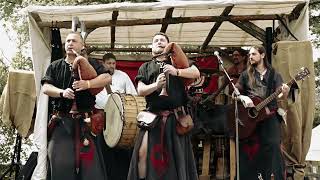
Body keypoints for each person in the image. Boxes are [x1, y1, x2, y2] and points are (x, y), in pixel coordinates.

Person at [127, 32, 200, 180]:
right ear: (151, 48)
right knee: (142, 154)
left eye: (162, 40)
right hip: (153, 119)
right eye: (155, 40)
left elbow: (196, 72)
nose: (159, 42)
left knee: (176, 159)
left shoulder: (177, 61)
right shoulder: (145, 67)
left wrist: (176, 71)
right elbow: (140, 90)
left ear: (168, 45)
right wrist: (156, 85)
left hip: (175, 118)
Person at [41, 32, 112, 180]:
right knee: (59, 165)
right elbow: (45, 88)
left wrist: (88, 84)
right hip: (62, 122)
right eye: (67, 41)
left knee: (91, 171)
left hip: (86, 123)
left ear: (82, 46)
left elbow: (107, 78)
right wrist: (61, 92)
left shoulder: (92, 63)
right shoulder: (55, 66)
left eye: (74, 41)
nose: (70, 43)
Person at [234, 45, 290, 180]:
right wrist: (243, 97)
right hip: (250, 119)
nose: (250, 57)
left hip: (270, 115)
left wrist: (285, 92)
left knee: (273, 145)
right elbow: (234, 93)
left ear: (263, 55)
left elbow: (280, 96)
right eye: (249, 55)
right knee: (250, 150)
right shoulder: (245, 75)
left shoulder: (274, 75)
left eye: (253, 54)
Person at [96, 53, 137, 180]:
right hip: (102, 116)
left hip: (121, 118)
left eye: (114, 63)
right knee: (104, 149)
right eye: (109, 63)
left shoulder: (123, 76)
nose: (112, 66)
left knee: (121, 149)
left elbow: (133, 95)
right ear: (103, 63)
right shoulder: (97, 77)